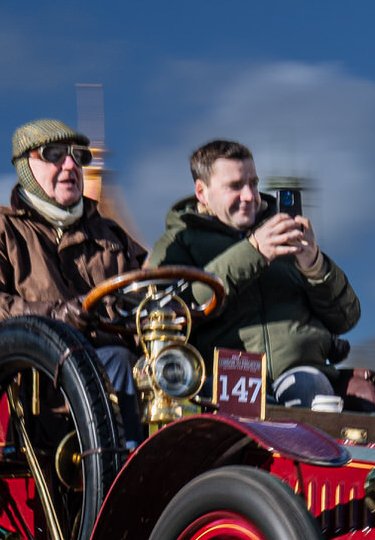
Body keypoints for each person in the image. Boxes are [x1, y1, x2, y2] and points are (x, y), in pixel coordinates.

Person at [0, 119, 147, 443]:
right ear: (26, 167)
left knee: (187, 373)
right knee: (119, 364)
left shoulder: (112, 236)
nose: (70, 165)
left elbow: (146, 295)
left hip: (118, 373)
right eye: (54, 154)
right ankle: (131, 473)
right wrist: (52, 317)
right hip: (38, 385)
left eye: (78, 156)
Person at [149, 140, 360, 408]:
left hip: (302, 372)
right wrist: (254, 251)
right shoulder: (177, 243)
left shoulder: (283, 232)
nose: (250, 195)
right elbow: (171, 312)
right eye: (235, 186)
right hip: (226, 378)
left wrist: (315, 266)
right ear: (202, 192)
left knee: (314, 399)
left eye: (253, 183)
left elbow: (347, 319)